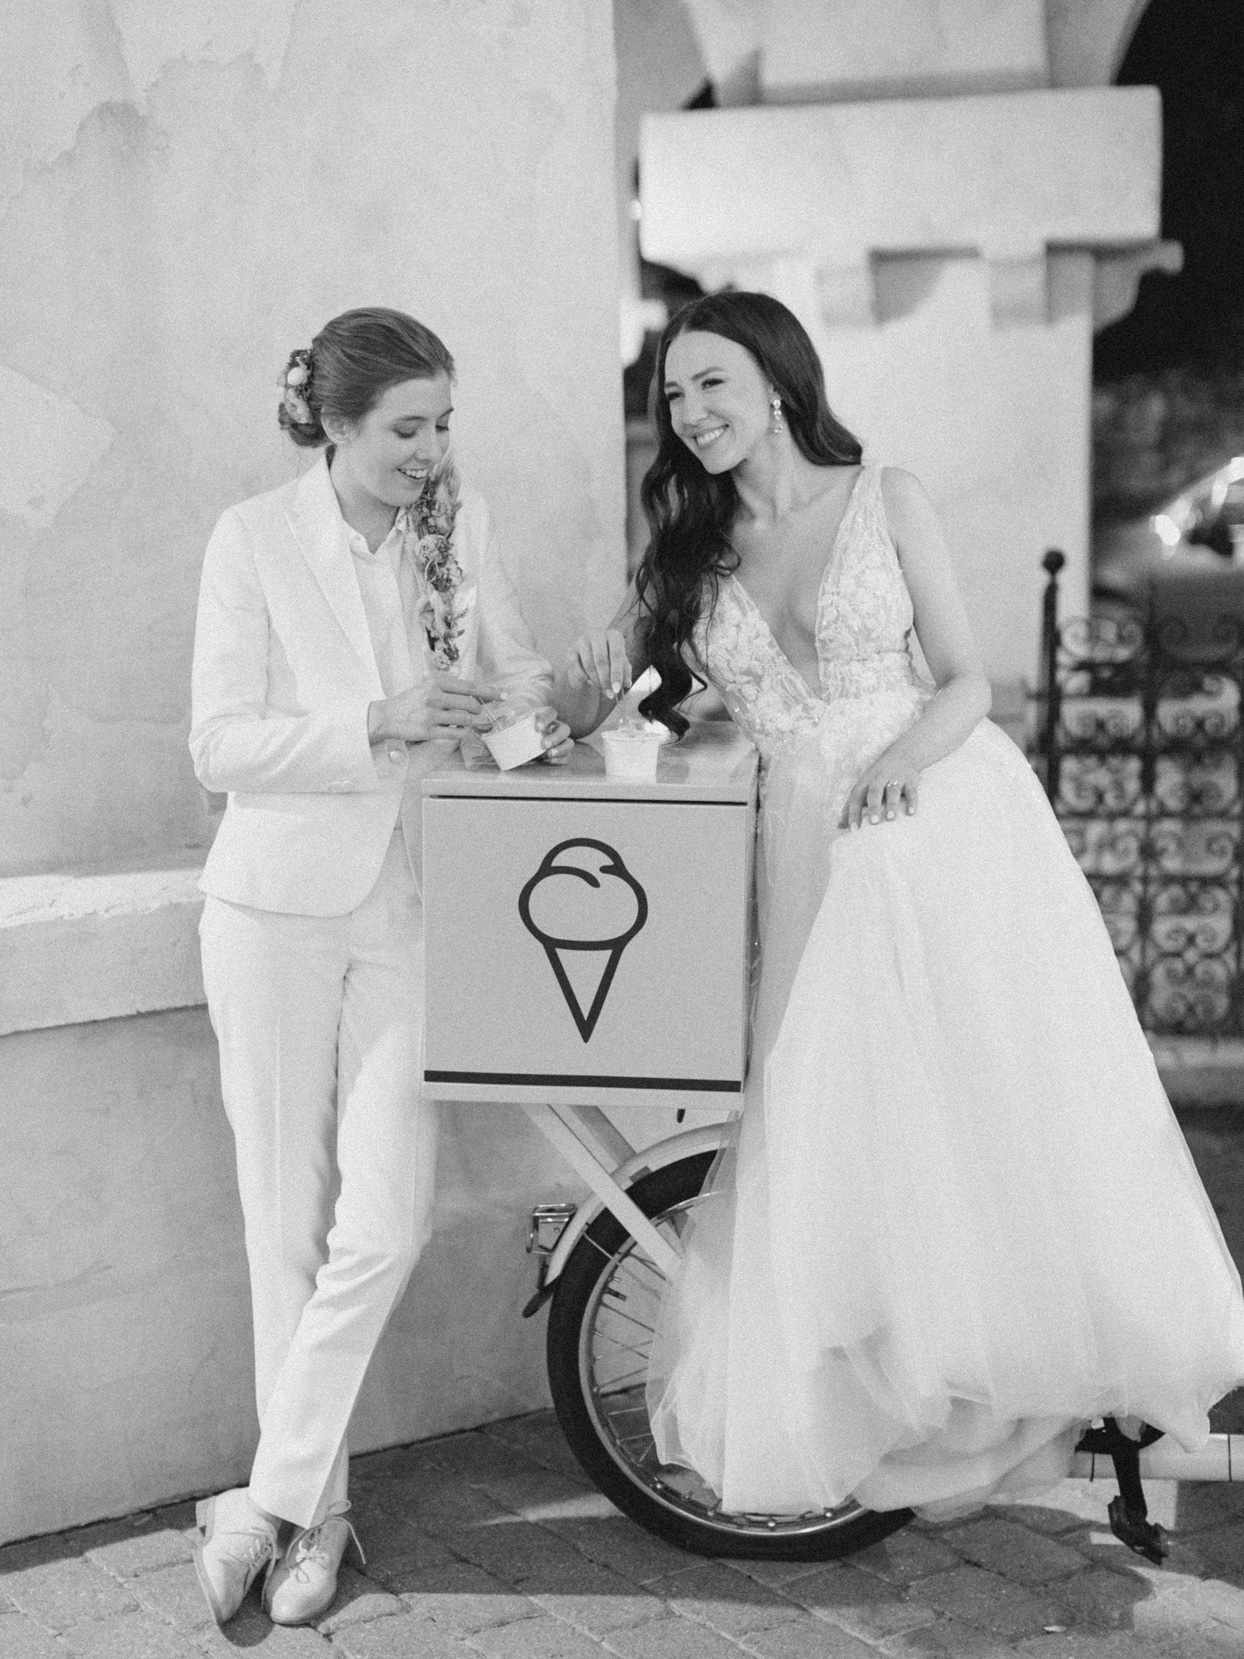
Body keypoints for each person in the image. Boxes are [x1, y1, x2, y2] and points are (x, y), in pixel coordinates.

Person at [557, 290, 1244, 1552]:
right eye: (671, 395)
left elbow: (969, 678)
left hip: (929, 824)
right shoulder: (692, 558)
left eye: (712, 382)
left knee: (968, 1112)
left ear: (774, 380)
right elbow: (634, 706)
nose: (691, 412)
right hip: (805, 849)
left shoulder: (886, 496)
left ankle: (1022, 1375)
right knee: (842, 1123)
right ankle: (902, 1393)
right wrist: (569, 697)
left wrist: (900, 764)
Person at [188, 306, 571, 1627]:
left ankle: (261, 1498)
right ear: (335, 424)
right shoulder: (251, 538)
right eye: (407, 426)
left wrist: (538, 723)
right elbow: (219, 741)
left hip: (410, 911)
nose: (432, 450)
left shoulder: (459, 530)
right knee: (281, 1223)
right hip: (274, 914)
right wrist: (378, 721)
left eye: (443, 423)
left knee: (386, 1219)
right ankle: (323, 1518)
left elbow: (515, 687)